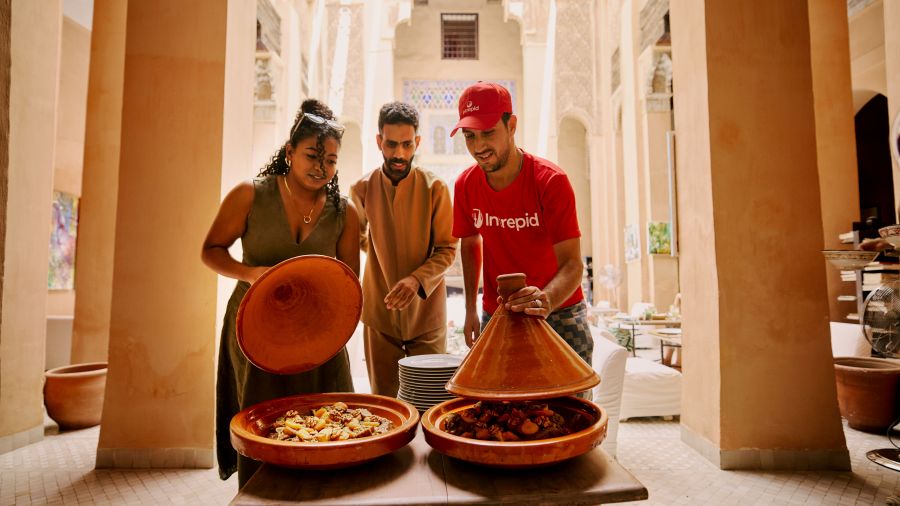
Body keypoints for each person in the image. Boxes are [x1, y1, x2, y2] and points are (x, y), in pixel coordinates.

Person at [201, 99, 359, 486]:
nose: (321, 167)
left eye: (331, 160)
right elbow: (210, 250)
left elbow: (349, 281)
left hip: (317, 335)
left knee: (328, 420)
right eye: (312, 156)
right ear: (290, 152)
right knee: (262, 421)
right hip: (255, 329)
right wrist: (250, 274)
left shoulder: (344, 212)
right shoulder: (250, 195)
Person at [450, 82, 594, 388]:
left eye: (488, 132)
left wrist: (546, 300)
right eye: (470, 136)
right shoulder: (465, 185)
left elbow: (572, 265)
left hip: (561, 312)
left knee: (570, 411)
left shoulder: (550, 181)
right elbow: (470, 242)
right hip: (498, 314)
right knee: (500, 408)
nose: (478, 146)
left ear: (511, 125)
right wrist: (470, 308)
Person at [350, 101, 456, 397]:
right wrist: (380, 251)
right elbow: (355, 239)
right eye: (391, 144)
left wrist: (416, 279)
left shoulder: (435, 189)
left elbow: (448, 249)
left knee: (431, 401)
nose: (399, 154)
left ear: (417, 142)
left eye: (407, 145)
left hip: (427, 314)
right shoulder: (362, 189)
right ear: (379, 142)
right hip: (379, 315)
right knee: (385, 406)